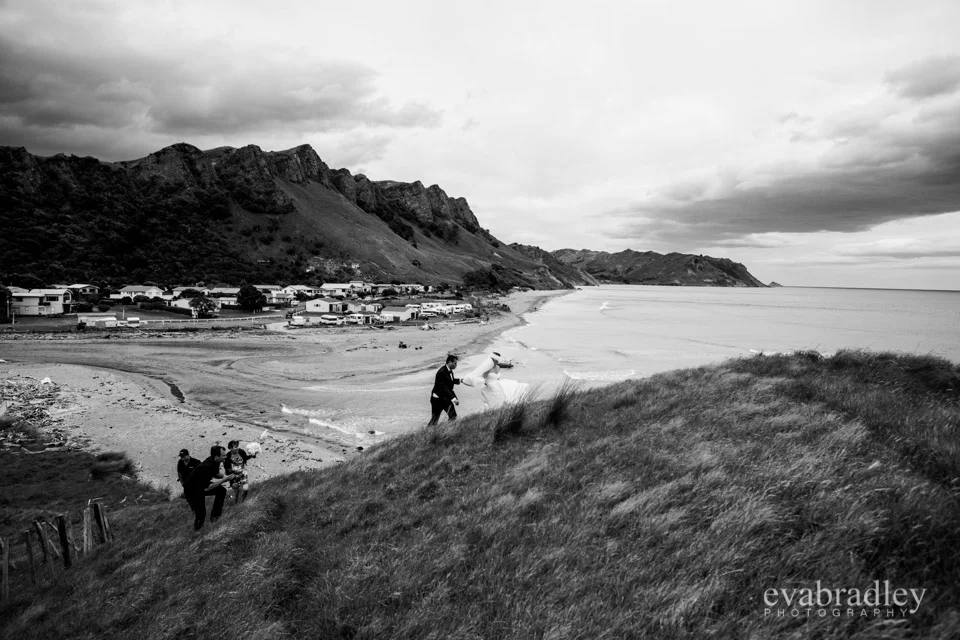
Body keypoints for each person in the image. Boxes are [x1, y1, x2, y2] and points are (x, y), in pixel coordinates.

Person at [183, 445, 236, 531]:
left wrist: (226, 476)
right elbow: (208, 488)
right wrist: (225, 480)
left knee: (221, 490)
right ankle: (197, 532)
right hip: (192, 490)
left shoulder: (215, 461)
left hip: (201, 485)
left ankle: (215, 518)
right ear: (216, 456)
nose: (225, 456)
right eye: (223, 455)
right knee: (201, 513)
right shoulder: (206, 467)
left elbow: (215, 473)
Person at [464, 351, 529, 409]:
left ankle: (498, 409)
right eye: (495, 359)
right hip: (490, 386)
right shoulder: (487, 368)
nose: (497, 361)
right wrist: (486, 383)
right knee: (493, 402)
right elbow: (483, 377)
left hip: (497, 386)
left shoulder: (498, 367)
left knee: (501, 398)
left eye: (498, 359)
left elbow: (497, 377)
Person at [428, 354, 460, 425]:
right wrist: (454, 399)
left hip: (445, 398)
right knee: (434, 419)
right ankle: (427, 433)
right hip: (437, 399)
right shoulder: (442, 372)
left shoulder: (450, 370)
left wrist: (460, 381)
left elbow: (450, 381)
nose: (456, 365)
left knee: (453, 416)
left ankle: (448, 430)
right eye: (455, 363)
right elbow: (444, 388)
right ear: (449, 362)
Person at [223, 439, 255, 504]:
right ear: (230, 448)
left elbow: (245, 458)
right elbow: (227, 469)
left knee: (246, 489)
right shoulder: (227, 457)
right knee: (236, 492)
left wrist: (252, 456)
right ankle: (236, 505)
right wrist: (233, 477)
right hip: (233, 476)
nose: (237, 448)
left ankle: (242, 503)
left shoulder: (241, 452)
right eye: (235, 447)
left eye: (237, 446)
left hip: (243, 473)